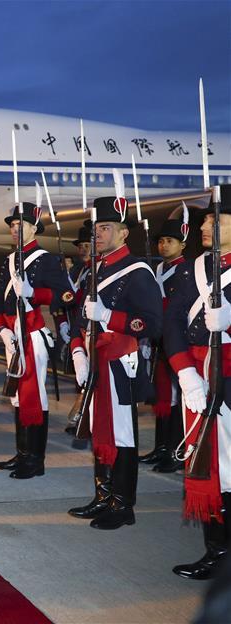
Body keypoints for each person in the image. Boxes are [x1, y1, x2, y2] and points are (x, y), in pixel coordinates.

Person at [67, 194, 162, 530]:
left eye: (106, 227)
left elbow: (152, 322)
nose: (98, 234)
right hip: (95, 360)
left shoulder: (137, 271)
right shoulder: (95, 268)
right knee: (99, 428)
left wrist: (110, 316)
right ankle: (103, 494)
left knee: (121, 433)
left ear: (123, 233)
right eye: (96, 228)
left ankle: (123, 504)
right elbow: (80, 318)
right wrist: (78, 351)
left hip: (121, 361)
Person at [164, 186, 231, 579]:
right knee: (208, 467)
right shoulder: (195, 268)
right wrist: (186, 373)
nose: (205, 225)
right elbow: (171, 323)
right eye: (207, 218)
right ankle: (216, 551)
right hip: (197, 376)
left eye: (214, 219)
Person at [0, 203, 73, 479]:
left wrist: (33, 292)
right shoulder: (8, 260)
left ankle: (35, 460)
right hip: (13, 334)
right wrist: (2, 329)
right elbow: (0, 301)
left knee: (34, 394)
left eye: (20, 225)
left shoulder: (45, 259)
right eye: (12, 225)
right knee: (17, 394)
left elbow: (65, 295)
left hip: (33, 333)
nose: (15, 229)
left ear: (34, 227)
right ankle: (22, 453)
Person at [141, 215, 189, 472]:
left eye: (170, 241)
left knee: (178, 397)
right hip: (159, 340)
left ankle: (175, 450)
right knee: (163, 396)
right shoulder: (157, 269)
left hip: (176, 340)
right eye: (161, 241)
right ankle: (161, 447)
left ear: (182, 245)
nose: (163, 246)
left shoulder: (186, 271)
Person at [65, 223, 93, 434]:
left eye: (87, 244)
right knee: (80, 376)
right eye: (81, 245)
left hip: (89, 328)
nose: (83, 249)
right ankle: (83, 417)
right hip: (76, 326)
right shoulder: (77, 269)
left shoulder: (94, 270)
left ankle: (87, 420)